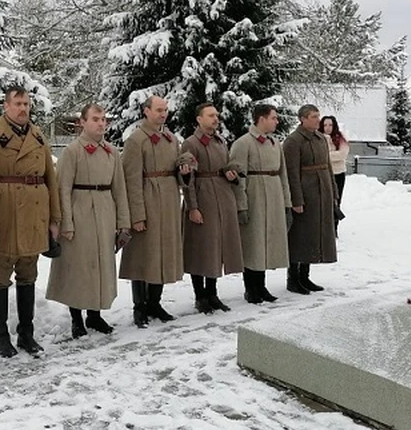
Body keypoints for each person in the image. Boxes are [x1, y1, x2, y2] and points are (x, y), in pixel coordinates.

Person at [0, 87, 61, 357]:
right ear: (5, 106)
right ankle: (1, 335)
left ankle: (26, 334)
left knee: (29, 272)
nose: (23, 109)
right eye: (17, 103)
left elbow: (50, 179)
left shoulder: (38, 136)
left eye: (27, 104)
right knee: (1, 275)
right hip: (4, 215)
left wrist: (55, 218)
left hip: (34, 213)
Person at [46, 104, 130, 338]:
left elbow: (120, 189)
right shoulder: (72, 152)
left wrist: (123, 222)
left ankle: (95, 314)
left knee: (100, 265)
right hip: (80, 210)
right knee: (79, 267)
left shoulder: (112, 152)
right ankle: (76, 318)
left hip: (105, 211)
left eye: (103, 119)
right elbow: (62, 189)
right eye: (95, 119)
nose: (101, 123)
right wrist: (66, 223)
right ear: (82, 122)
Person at [119, 95, 194, 327]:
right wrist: (137, 215)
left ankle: (155, 302)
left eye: (165, 110)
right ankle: (139, 306)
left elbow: (178, 173)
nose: (163, 114)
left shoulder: (172, 139)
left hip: (168, 201)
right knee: (143, 255)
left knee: (162, 253)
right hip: (148, 200)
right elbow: (131, 180)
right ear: (146, 111)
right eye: (159, 110)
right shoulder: (136, 141)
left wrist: (184, 169)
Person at [181, 103, 245, 313]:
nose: (215, 119)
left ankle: (213, 293)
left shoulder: (220, 142)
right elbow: (188, 178)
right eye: (210, 116)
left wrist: (231, 174)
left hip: (222, 196)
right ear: (199, 119)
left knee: (216, 248)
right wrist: (193, 207)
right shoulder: (191, 144)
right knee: (201, 249)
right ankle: (201, 296)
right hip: (202, 197)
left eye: (216, 115)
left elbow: (226, 165)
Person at [228, 104, 292, 304]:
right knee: (254, 242)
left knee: (267, 242)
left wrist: (286, 203)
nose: (276, 121)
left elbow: (283, 175)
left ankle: (261, 286)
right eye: (273, 117)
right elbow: (238, 177)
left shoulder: (275, 143)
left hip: (273, 195)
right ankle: (251, 288)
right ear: (261, 119)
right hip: (254, 194)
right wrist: (242, 205)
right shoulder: (243, 143)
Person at [283, 104, 338, 294]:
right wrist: (296, 200)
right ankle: (293, 278)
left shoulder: (321, 139)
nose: (317, 120)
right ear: (303, 119)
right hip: (305, 193)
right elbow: (291, 173)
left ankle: (305, 276)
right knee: (300, 236)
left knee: (314, 234)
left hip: (322, 192)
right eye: (313, 116)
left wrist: (333, 192)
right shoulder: (293, 141)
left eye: (318, 116)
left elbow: (328, 168)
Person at [321, 114, 349, 236]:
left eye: (330, 125)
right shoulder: (318, 138)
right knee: (324, 201)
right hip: (324, 173)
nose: (327, 127)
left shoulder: (340, 138)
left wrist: (327, 156)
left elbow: (342, 154)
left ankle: (334, 229)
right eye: (325, 125)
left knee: (337, 201)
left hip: (338, 174)